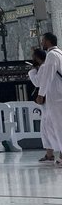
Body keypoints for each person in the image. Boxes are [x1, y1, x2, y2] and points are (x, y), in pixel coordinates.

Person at [36, 32, 62, 164]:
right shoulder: (60, 53)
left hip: (56, 97)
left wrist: (41, 94)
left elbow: (47, 77)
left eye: (43, 40)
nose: (42, 43)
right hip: (59, 95)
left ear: (48, 42)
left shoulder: (52, 55)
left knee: (58, 126)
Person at [28, 48, 54, 162]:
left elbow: (37, 82)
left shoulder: (43, 68)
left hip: (49, 101)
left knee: (48, 127)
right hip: (51, 100)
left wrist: (32, 71)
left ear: (37, 58)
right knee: (48, 127)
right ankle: (49, 153)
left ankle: (50, 153)